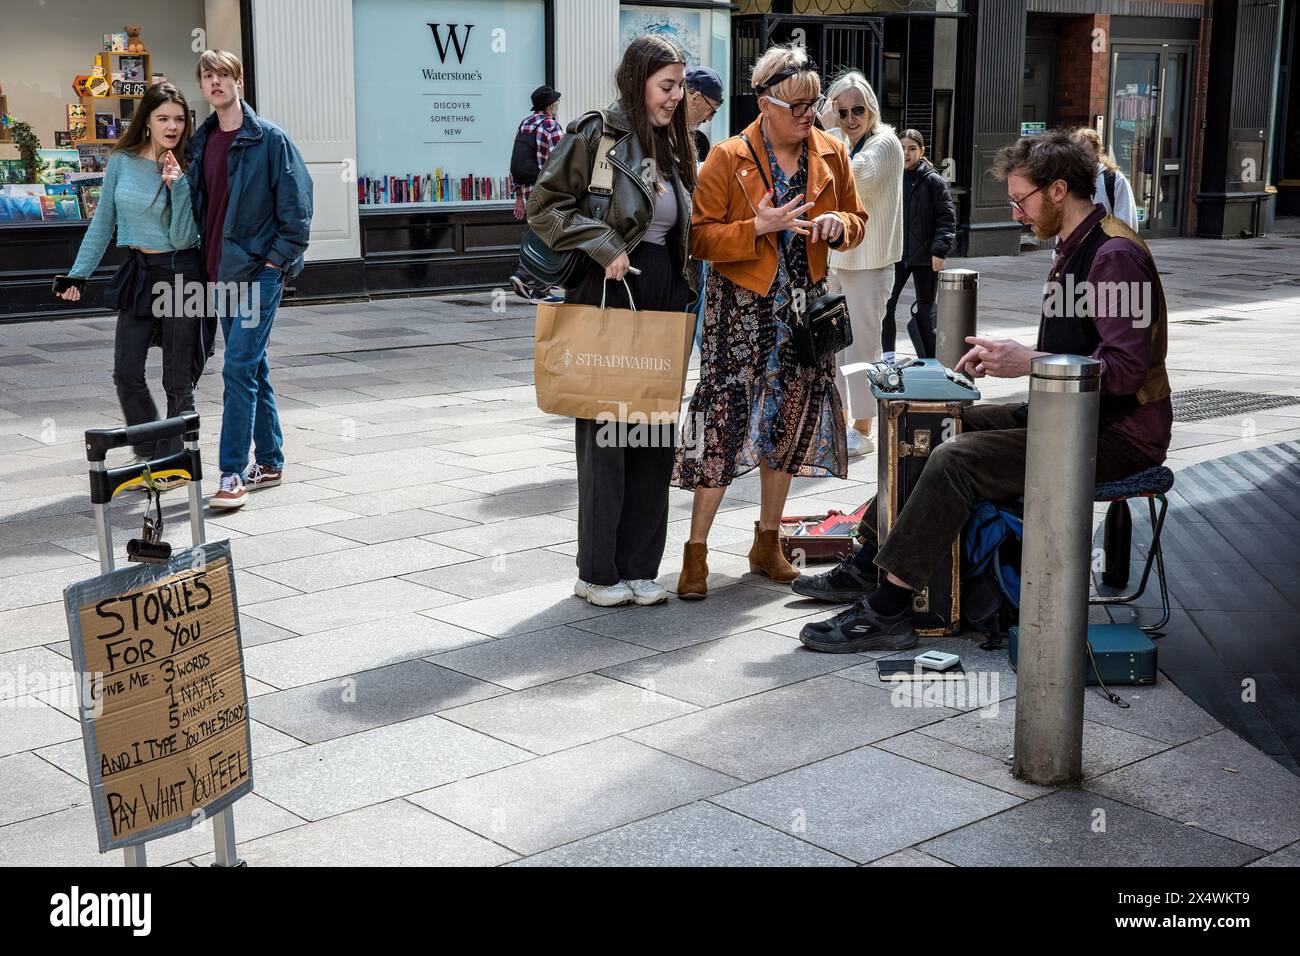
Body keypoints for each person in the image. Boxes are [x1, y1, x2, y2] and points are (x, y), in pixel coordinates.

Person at [793, 129, 1172, 652]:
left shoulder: (1113, 256)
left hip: (1120, 436)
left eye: (1021, 200)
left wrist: (1026, 361)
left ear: (1059, 190)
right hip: (1073, 416)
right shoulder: (1077, 244)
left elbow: (1125, 371)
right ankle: (867, 562)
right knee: (934, 426)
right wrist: (1012, 356)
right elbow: (1080, 349)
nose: (1017, 213)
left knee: (956, 457)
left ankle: (889, 609)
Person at [673, 43, 868, 600]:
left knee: (788, 420)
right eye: (799, 106)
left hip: (805, 309)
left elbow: (858, 219)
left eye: (815, 104)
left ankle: (767, 542)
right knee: (725, 423)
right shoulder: (726, 157)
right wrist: (756, 228)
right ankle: (696, 550)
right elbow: (700, 237)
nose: (811, 115)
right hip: (740, 309)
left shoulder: (831, 151)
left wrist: (838, 225)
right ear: (765, 104)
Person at [527, 35, 698, 608]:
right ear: (638, 81)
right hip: (609, 286)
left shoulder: (678, 143)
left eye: (680, 86)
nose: (677, 96)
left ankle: (640, 568)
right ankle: (597, 572)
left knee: (653, 433)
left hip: (664, 290)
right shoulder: (598, 131)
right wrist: (602, 243)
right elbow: (545, 204)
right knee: (607, 434)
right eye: (666, 86)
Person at [56, 82, 208, 484]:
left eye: (179, 119)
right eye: (163, 118)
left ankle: (172, 462)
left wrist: (179, 187)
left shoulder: (190, 163)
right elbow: (103, 222)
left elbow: (181, 237)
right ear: (147, 120)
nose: (172, 126)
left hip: (181, 272)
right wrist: (78, 274)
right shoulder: (122, 160)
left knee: (177, 378)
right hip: (139, 273)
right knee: (126, 372)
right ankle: (150, 452)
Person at [187, 50, 312, 510]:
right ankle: (272, 460)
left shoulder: (269, 139)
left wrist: (276, 264)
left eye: (223, 74)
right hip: (219, 271)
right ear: (201, 86)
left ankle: (232, 471)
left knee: (237, 366)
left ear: (239, 81)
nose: (215, 82)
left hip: (260, 272)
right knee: (252, 365)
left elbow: (298, 211)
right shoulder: (199, 144)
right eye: (207, 76)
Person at [821, 71, 902, 459]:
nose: (850, 118)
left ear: (870, 108)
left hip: (869, 263)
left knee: (863, 349)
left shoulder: (884, 142)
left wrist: (828, 132)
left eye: (857, 110)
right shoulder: (845, 142)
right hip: (838, 259)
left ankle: (864, 427)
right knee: (833, 349)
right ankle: (839, 419)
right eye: (841, 111)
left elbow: (855, 177)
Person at [882, 128, 955, 359]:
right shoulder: (890, 177)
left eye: (912, 148)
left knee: (925, 309)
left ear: (921, 151)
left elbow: (946, 218)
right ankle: (888, 357)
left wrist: (939, 251)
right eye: (902, 148)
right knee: (886, 306)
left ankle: (929, 357)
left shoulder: (933, 180)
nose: (906, 153)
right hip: (896, 255)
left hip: (925, 257)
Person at [510, 85, 565, 302]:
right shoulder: (551, 127)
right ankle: (527, 278)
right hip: (547, 191)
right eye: (556, 103)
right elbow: (561, 162)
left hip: (527, 191)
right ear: (551, 105)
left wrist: (517, 196)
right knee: (552, 237)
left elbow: (514, 161)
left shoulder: (525, 125)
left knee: (542, 235)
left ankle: (537, 287)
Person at [683, 66, 722, 352]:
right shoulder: (664, 132)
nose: (710, 118)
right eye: (712, 109)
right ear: (694, 97)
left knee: (701, 325)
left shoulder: (693, 137)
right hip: (675, 250)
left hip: (696, 246)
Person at [1072, 126, 1138, 230]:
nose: (1080, 156)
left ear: (1097, 150)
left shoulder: (1114, 179)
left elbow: (1126, 221)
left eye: (1085, 151)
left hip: (1106, 244)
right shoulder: (1069, 179)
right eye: (1077, 152)